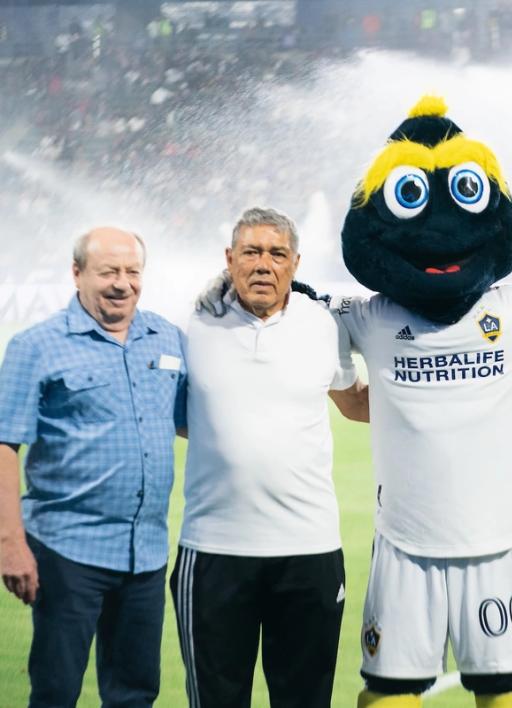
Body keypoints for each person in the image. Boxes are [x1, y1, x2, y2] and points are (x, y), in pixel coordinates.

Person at [171, 207, 363, 708]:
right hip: (214, 550)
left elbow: (356, 403)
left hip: (309, 551)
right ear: (229, 259)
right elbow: (172, 414)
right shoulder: (192, 323)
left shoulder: (323, 325)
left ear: (295, 264)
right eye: (251, 252)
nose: (264, 264)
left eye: (276, 253)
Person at [0, 227, 186, 707]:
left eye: (132, 272)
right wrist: (10, 544)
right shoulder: (35, 346)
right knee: (57, 690)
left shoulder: (166, 337)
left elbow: (191, 423)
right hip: (67, 551)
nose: (122, 283)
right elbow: (4, 446)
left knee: (134, 695)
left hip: (145, 553)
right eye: (108, 272)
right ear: (77, 273)